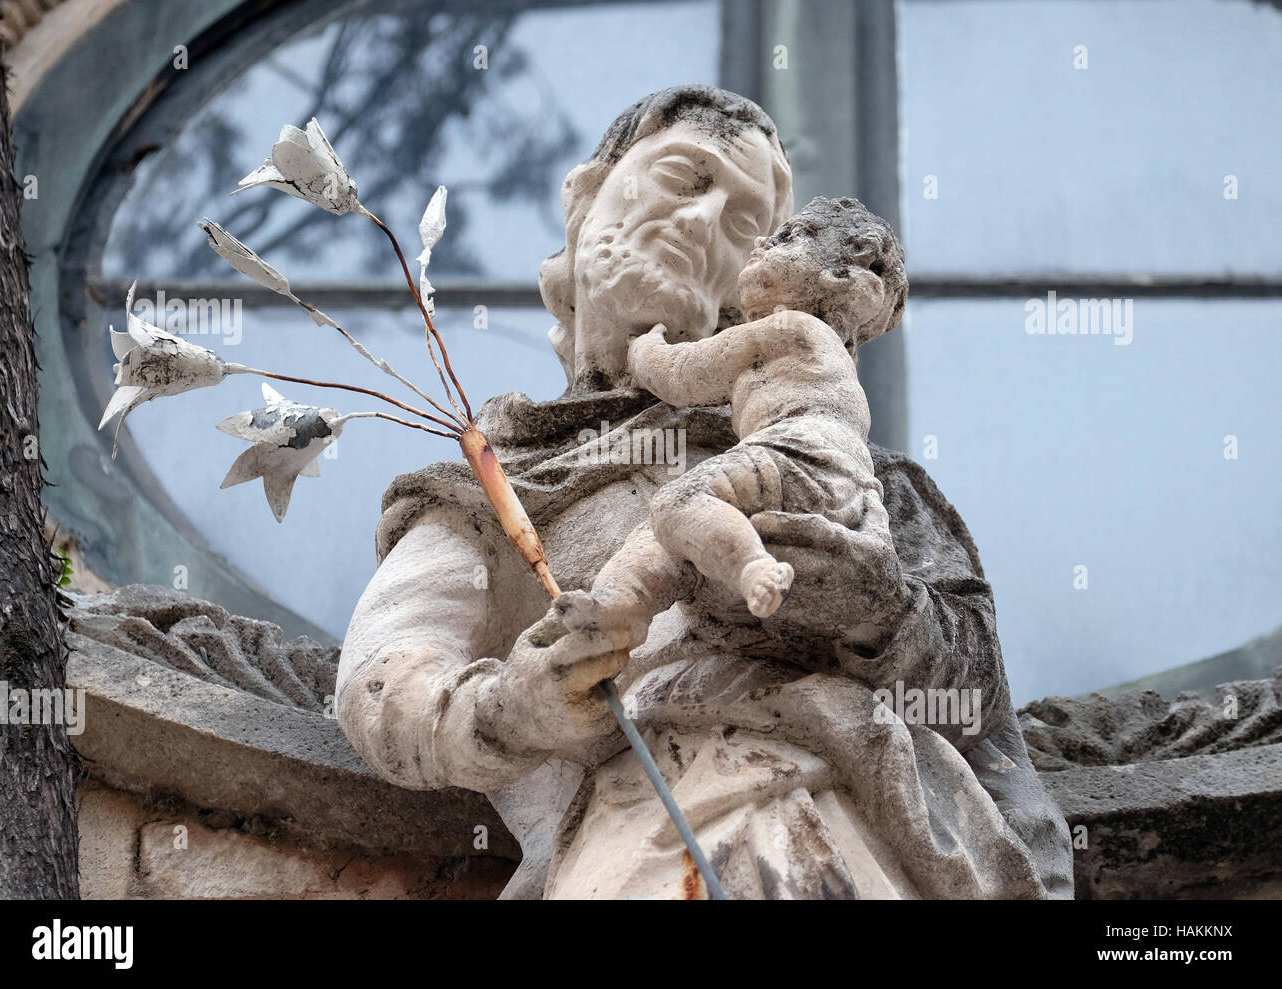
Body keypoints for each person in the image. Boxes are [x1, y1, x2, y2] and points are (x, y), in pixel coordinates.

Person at [335, 85, 1074, 899]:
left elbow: (976, 712)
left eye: (744, 227)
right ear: (584, 201)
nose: (699, 224)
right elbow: (383, 676)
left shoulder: (842, 468)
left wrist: (879, 614)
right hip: (635, 829)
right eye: (687, 179)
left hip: (850, 809)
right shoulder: (493, 483)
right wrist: (514, 706)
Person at [558, 196, 905, 641]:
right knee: (672, 536)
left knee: (675, 503)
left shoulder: (793, 329)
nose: (761, 240)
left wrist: (644, 352)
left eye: (786, 238)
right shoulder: (821, 360)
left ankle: (754, 569)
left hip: (795, 457)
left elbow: (685, 375)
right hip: (845, 489)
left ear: (837, 277)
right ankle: (616, 603)